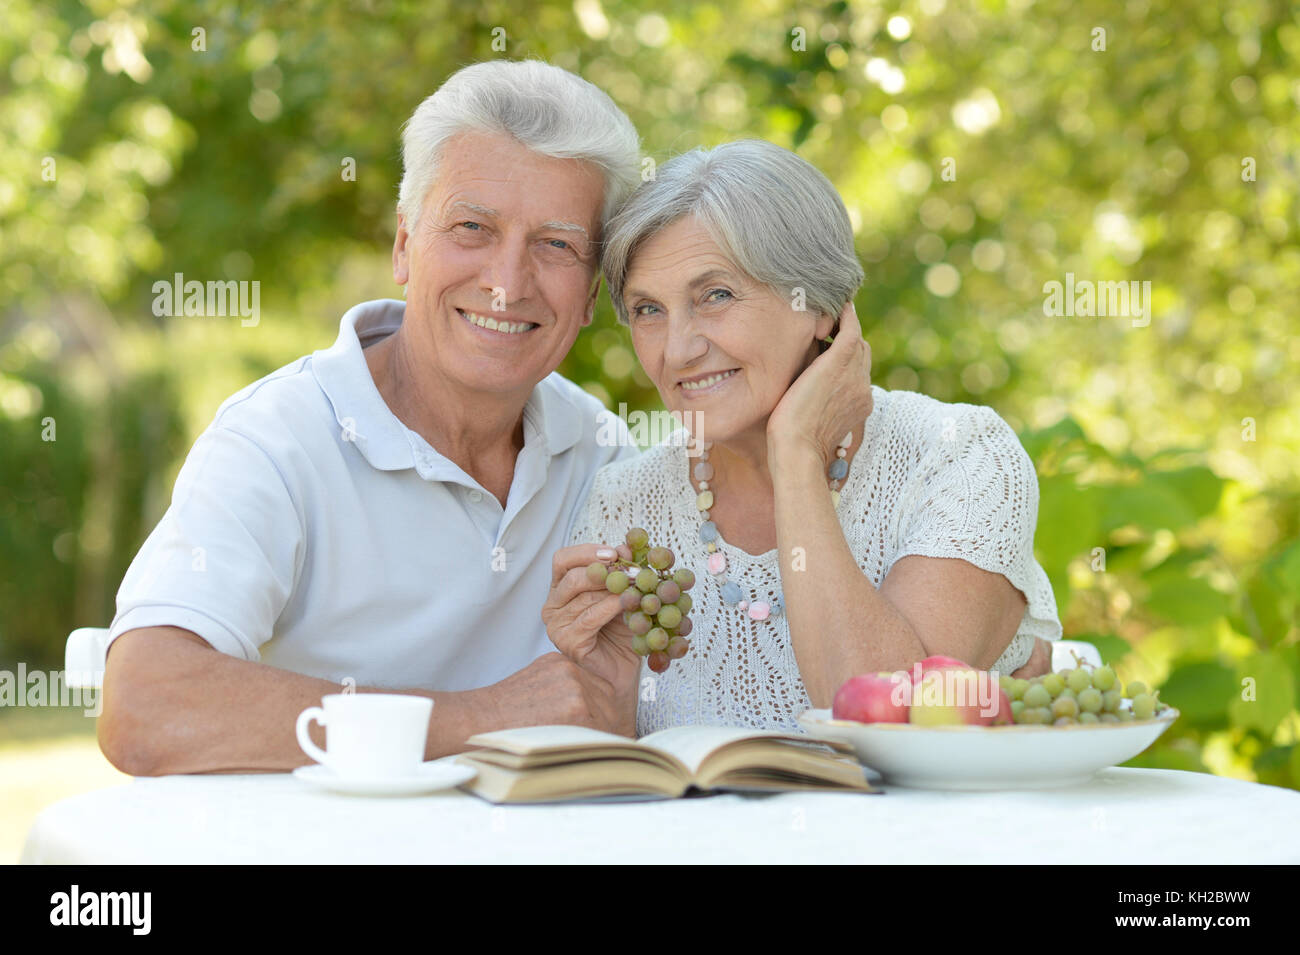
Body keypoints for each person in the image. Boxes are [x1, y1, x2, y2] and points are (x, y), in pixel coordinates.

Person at [98, 60, 644, 775]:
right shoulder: (277, 438)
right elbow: (145, 704)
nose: (508, 284)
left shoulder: (601, 451)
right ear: (403, 245)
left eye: (557, 245)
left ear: (591, 295)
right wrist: (489, 718)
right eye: (473, 227)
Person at [543, 140, 1061, 736]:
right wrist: (605, 695)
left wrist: (794, 453)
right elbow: (615, 786)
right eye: (647, 310)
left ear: (823, 307)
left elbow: (893, 723)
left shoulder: (957, 455)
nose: (678, 350)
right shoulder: (625, 502)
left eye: (716, 295)